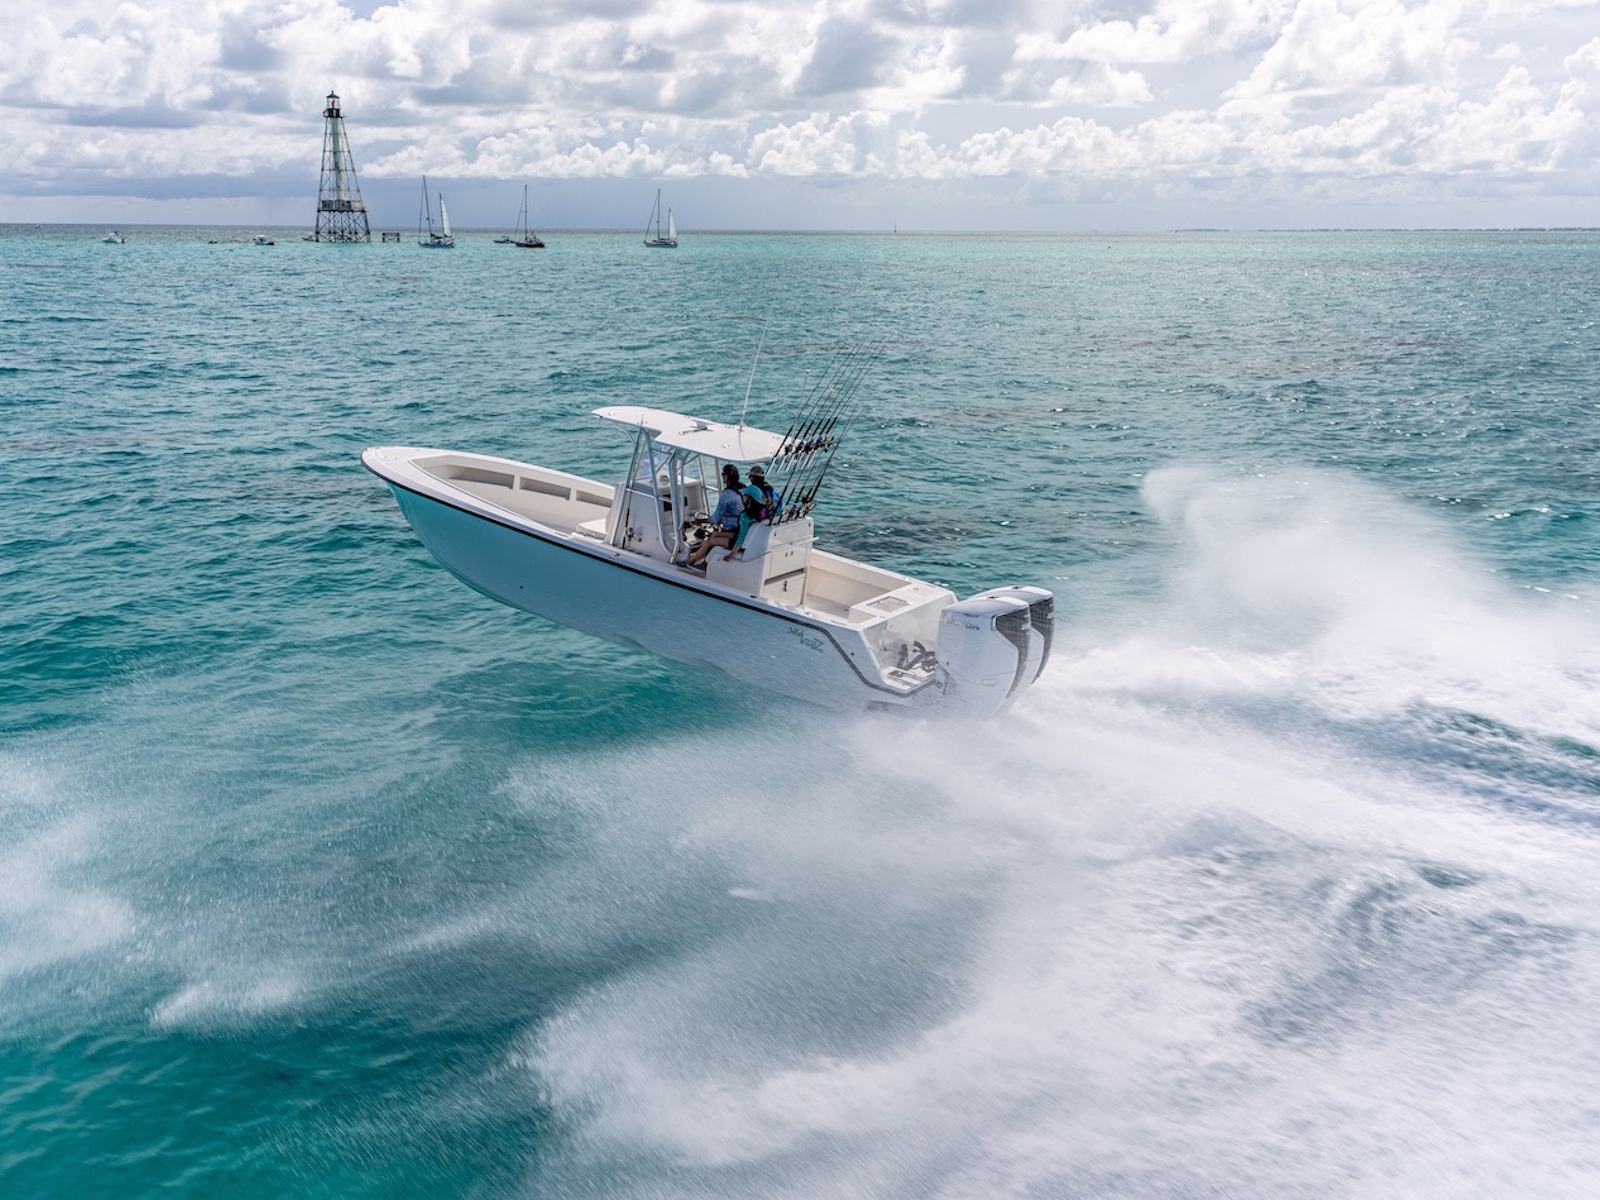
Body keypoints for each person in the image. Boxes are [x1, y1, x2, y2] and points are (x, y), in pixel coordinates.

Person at [688, 463, 743, 567]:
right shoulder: (743, 489)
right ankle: (702, 562)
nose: (722, 476)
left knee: (710, 540)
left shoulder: (726, 495)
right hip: (739, 529)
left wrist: (701, 521)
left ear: (726, 477)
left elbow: (715, 519)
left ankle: (692, 563)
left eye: (723, 474)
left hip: (733, 532)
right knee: (714, 534)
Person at [732, 465, 777, 555]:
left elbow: (739, 492)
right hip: (766, 515)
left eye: (750, 477)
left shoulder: (752, 489)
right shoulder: (768, 487)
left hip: (756, 517)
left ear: (752, 478)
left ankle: (734, 551)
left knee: (742, 518)